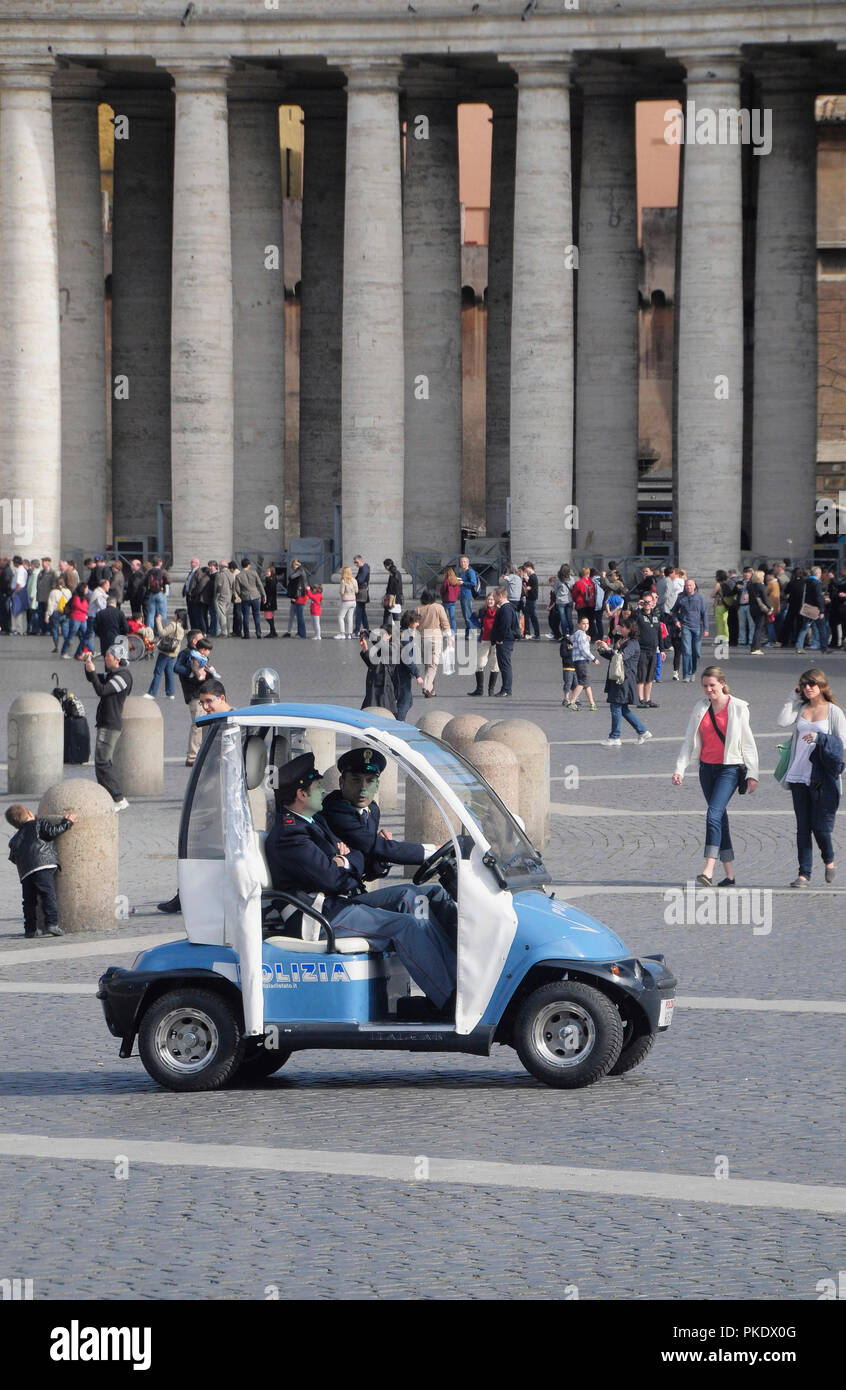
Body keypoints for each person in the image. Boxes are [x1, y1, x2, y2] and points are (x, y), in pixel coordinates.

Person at [265, 753, 456, 1014]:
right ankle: (449, 1001)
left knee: (419, 899)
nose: (324, 790)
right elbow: (334, 876)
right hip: (317, 915)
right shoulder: (291, 834)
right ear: (302, 795)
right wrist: (346, 860)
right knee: (405, 925)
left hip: (336, 903)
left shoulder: (313, 822)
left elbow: (356, 862)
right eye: (318, 787)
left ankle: (456, 979)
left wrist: (345, 860)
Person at [672, 665, 759, 886]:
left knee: (713, 814)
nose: (709, 689)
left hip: (729, 768)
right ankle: (729, 875)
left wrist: (752, 773)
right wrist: (679, 769)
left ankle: (708, 870)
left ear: (722, 683)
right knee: (720, 818)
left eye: (712, 685)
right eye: (705, 686)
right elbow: (689, 740)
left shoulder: (738, 707)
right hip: (706, 769)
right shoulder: (700, 708)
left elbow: (748, 742)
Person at [321, 749, 436, 880]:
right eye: (355, 780)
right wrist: (433, 851)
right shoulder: (336, 809)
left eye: (370, 781)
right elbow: (373, 845)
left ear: (377, 786)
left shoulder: (372, 810)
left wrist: (382, 857)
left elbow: (369, 871)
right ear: (341, 782)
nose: (363, 788)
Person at [777, 669, 846, 888]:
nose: (808, 687)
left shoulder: (834, 712)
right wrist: (791, 697)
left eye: (812, 684)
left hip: (822, 777)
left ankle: (829, 859)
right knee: (803, 827)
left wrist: (819, 738)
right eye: (804, 684)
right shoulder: (800, 707)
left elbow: (842, 743)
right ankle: (804, 874)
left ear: (822, 685)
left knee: (820, 826)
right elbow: (782, 721)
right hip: (798, 774)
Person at [5, 803, 78, 937]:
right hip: (43, 865)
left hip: (26, 872)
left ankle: (30, 929)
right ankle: (52, 924)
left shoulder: (14, 839)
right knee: (47, 895)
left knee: (29, 901)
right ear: (29, 813)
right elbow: (52, 832)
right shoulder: (39, 823)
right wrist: (67, 822)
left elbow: (13, 857)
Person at [84, 640, 133, 811]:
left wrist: (92, 672)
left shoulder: (123, 676)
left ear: (118, 659)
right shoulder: (114, 673)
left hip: (111, 724)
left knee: (102, 762)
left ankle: (118, 798)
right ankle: (108, 796)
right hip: (106, 721)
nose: (105, 658)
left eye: (109, 656)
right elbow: (95, 679)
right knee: (103, 762)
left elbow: (102, 690)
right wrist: (88, 667)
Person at [596, 619, 651, 747]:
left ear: (630, 629)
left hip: (624, 680)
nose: (621, 628)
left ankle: (615, 736)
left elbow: (620, 657)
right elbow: (614, 657)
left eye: (624, 627)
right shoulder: (623, 641)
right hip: (620, 678)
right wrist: (602, 650)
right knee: (623, 708)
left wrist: (608, 648)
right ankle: (642, 731)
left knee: (615, 705)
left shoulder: (632, 644)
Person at [175, 633, 218, 766]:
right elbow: (178, 668)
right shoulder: (189, 655)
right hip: (195, 694)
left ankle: (203, 754)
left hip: (203, 694)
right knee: (198, 725)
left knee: (206, 724)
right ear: (195, 642)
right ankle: (192, 756)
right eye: (201, 638)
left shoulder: (200, 657)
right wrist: (195, 673)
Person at [416, 587, 452, 698]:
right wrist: (449, 637)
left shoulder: (418, 609)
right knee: (433, 665)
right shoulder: (438, 607)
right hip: (435, 637)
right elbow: (445, 623)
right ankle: (426, 687)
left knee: (428, 665)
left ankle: (432, 690)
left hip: (422, 638)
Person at [671, 578, 709, 682]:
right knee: (686, 652)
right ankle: (686, 675)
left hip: (697, 627)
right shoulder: (681, 598)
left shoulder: (700, 598)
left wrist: (706, 628)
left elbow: (704, 613)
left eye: (690, 585)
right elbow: (673, 611)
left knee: (696, 652)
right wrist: (676, 621)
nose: (688, 587)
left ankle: (693, 671)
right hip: (685, 627)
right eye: (687, 585)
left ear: (694, 586)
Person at [144, 610, 185, 700]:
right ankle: (170, 692)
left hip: (166, 651)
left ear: (178, 617)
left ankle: (152, 692)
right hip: (173, 651)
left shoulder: (173, 625)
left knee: (158, 671)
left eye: (175, 614)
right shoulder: (181, 627)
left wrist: (158, 621)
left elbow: (162, 633)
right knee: (168, 672)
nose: (174, 615)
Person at [490, 585, 521, 698]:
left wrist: (499, 639)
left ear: (500, 596)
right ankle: (506, 688)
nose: (493, 598)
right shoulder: (506, 608)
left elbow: (505, 626)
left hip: (504, 642)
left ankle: (506, 689)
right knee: (504, 665)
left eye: (495, 596)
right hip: (505, 640)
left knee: (505, 666)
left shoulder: (506, 608)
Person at [467, 591, 499, 697]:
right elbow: (472, 617)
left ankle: (491, 690)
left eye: (492, 599)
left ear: (496, 601)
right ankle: (479, 689)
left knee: (494, 665)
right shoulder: (483, 611)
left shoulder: (499, 611)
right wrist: (480, 625)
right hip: (485, 640)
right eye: (488, 599)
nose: (490, 601)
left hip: (496, 641)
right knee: (479, 664)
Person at [359, 626, 398, 713]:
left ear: (390, 636)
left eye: (383, 634)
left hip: (383, 688)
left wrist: (369, 633)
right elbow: (372, 665)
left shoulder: (393, 648)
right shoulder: (380, 649)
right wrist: (365, 650)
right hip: (373, 687)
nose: (381, 636)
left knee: (383, 711)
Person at [634, 591, 662, 708]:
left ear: (652, 603)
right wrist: (638, 607)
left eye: (648, 602)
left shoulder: (655, 616)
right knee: (641, 676)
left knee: (650, 676)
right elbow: (632, 618)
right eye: (644, 602)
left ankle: (647, 699)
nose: (646, 604)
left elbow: (659, 633)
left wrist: (662, 649)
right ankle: (640, 700)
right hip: (642, 649)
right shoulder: (638, 615)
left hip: (653, 650)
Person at [394, 611, 424, 721]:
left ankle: (395, 720)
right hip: (402, 673)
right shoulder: (405, 635)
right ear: (411, 622)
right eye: (416, 622)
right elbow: (407, 658)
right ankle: (398, 725)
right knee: (404, 702)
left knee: (408, 701)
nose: (418, 624)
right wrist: (417, 674)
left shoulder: (401, 632)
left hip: (398, 670)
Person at [566, 616, 599, 711]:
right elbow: (583, 650)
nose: (586, 625)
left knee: (586, 683)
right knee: (583, 681)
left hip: (577, 661)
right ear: (579, 624)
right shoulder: (581, 634)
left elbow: (570, 638)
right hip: (582, 660)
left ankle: (592, 703)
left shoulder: (578, 633)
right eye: (583, 623)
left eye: (587, 623)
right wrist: (593, 658)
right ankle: (572, 701)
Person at [795, 565, 827, 656]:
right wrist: (822, 610)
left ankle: (799, 646)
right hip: (815, 609)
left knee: (805, 627)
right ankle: (824, 647)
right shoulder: (817, 583)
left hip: (807, 608)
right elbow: (818, 597)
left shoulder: (806, 582)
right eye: (820, 573)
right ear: (817, 574)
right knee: (822, 628)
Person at [235, 558, 266, 639]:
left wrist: (241, 595)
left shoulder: (239, 575)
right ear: (249, 565)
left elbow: (237, 589)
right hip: (255, 596)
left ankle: (246, 634)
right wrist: (263, 595)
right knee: (257, 615)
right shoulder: (254, 573)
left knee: (246, 616)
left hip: (245, 597)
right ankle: (258, 632)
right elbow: (260, 584)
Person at [60, 583, 91, 660]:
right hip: (75, 618)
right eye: (86, 588)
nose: (87, 590)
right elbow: (77, 606)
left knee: (84, 636)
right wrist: (86, 611)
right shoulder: (76, 597)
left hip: (83, 619)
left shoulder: (86, 598)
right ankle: (64, 651)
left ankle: (82, 651)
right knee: (71, 636)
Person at [747, 568, 773, 656]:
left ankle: (754, 647)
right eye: (763, 576)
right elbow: (765, 598)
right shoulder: (760, 586)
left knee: (757, 628)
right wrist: (770, 607)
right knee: (759, 629)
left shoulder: (750, 585)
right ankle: (756, 647)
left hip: (752, 608)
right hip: (760, 609)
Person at [46, 575, 72, 653]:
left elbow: (51, 605)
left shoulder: (53, 592)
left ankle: (56, 646)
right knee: (65, 628)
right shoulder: (68, 592)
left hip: (56, 612)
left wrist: (47, 615)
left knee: (55, 629)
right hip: (65, 612)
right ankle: (67, 641)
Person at [283, 557, 308, 638]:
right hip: (296, 595)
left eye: (295, 564)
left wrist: (299, 566)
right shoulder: (299, 571)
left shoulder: (300, 570)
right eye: (293, 565)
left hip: (299, 595)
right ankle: (295, 632)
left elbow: (291, 577)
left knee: (300, 616)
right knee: (294, 615)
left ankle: (302, 633)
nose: (294, 566)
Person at [143, 556, 170, 630]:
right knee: (162, 613)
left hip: (152, 594)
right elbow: (168, 581)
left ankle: (150, 631)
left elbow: (144, 582)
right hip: (161, 593)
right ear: (160, 563)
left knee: (151, 614)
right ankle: (162, 630)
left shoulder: (150, 571)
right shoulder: (163, 571)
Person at [457, 555, 482, 633]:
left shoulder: (470, 571)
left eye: (464, 562)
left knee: (468, 615)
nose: (463, 563)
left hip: (467, 595)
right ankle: (469, 632)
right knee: (465, 615)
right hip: (463, 595)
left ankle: (470, 632)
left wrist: (463, 583)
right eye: (461, 562)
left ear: (468, 563)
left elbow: (473, 583)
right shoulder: (462, 572)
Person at [213, 560, 235, 638]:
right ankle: (228, 631)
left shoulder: (220, 575)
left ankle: (224, 632)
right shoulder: (231, 574)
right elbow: (233, 586)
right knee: (227, 615)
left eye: (219, 566)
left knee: (221, 615)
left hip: (221, 597)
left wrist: (216, 595)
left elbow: (218, 585)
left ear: (222, 566)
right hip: (228, 596)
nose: (218, 567)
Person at [336, 565, 358, 639]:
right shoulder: (354, 580)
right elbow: (357, 591)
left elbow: (342, 592)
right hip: (353, 601)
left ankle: (342, 633)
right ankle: (349, 634)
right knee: (350, 617)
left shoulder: (343, 581)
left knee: (340, 617)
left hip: (346, 601)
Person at [553, 564, 573, 638]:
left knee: (563, 619)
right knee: (569, 618)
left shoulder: (558, 580)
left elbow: (555, 590)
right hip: (569, 600)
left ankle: (564, 634)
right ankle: (571, 633)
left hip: (560, 601)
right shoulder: (572, 579)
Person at [352, 555, 370, 636]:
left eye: (356, 562)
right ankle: (366, 630)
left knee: (359, 612)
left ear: (360, 560)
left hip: (361, 593)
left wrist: (353, 580)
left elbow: (360, 579)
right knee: (362, 613)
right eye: (354, 563)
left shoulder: (364, 568)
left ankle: (356, 631)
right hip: (362, 592)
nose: (356, 564)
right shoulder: (364, 567)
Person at [440, 566, 461, 634]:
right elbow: (458, 591)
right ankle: (453, 631)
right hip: (453, 601)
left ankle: (445, 630)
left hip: (446, 600)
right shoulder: (455, 581)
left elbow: (443, 590)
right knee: (452, 617)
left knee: (444, 617)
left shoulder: (446, 581)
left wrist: (442, 594)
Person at [521, 561, 540, 639]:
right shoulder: (532, 577)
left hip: (531, 599)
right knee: (528, 616)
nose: (525, 571)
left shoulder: (533, 577)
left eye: (526, 569)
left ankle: (535, 633)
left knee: (532, 617)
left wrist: (526, 586)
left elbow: (530, 588)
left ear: (529, 567)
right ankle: (528, 632)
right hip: (530, 599)